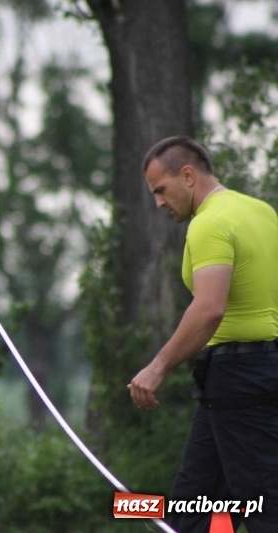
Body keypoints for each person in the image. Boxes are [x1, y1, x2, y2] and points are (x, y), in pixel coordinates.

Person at [129, 136, 278, 532]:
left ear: (189, 176)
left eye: (161, 190)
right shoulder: (262, 212)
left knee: (263, 507)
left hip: (240, 378)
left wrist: (158, 367)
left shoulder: (208, 223)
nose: (158, 202)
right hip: (243, 376)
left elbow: (210, 307)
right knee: (191, 510)